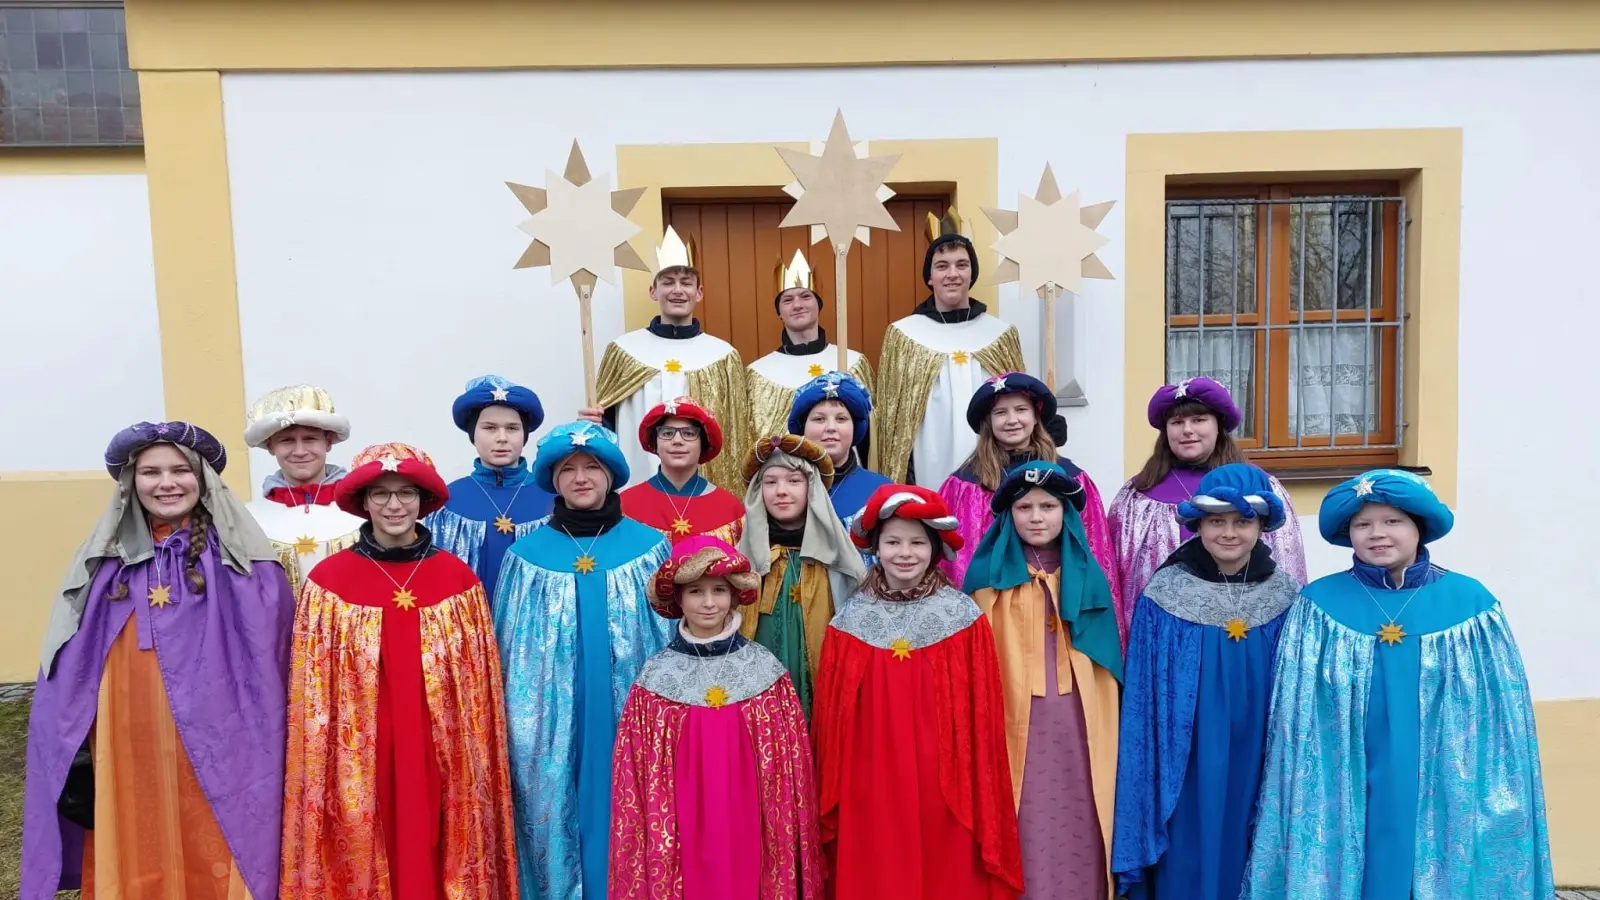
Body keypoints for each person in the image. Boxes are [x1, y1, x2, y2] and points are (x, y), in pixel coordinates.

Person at [1241, 470, 1553, 899]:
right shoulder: (1319, 605)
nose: (1377, 534)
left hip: (1441, 766)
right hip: (1347, 766)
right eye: (1363, 524)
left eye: (1392, 521)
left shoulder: (1470, 603)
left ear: (1418, 527)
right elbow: (1298, 714)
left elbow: (1500, 716)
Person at [22, 421, 293, 900]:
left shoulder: (242, 562)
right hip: (128, 728)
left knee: (215, 820)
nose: (166, 483)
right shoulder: (104, 564)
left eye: (179, 470)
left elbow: (270, 656)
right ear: (132, 482)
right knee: (138, 816)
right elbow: (69, 656)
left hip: (222, 732)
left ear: (202, 478)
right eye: (151, 472)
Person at [280, 442, 518, 898]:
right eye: (382, 494)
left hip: (439, 748)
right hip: (360, 754)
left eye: (406, 493)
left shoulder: (458, 580)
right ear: (364, 502)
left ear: (422, 501)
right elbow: (312, 697)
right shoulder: (328, 583)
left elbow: (478, 696)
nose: (394, 505)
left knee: (434, 838)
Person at [813, 484, 1023, 900]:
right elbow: (832, 720)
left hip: (944, 773)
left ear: (935, 548)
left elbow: (981, 714)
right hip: (869, 773)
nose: (904, 553)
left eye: (917, 542)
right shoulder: (849, 621)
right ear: (876, 547)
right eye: (893, 542)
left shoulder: (961, 618)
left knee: (944, 861)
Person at [494, 421, 673, 900]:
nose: (580, 478)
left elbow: (671, 640)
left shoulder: (650, 548)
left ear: (610, 475)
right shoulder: (525, 557)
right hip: (553, 720)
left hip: (630, 711)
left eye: (592, 466)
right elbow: (509, 655)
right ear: (553, 480)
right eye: (568, 469)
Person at [1110, 463, 1299, 900]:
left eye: (1242, 522)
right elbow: (1144, 694)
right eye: (1216, 522)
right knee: (1190, 838)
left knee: (1250, 833)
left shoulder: (1285, 594)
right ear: (1198, 525)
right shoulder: (1165, 592)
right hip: (1187, 750)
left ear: (1262, 526)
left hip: (1258, 746)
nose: (1228, 533)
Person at [609, 536, 825, 900]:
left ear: (735, 595)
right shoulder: (654, 679)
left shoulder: (766, 672)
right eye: (696, 591)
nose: (709, 603)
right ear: (678, 599)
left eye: (719, 590)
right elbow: (635, 775)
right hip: (681, 825)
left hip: (750, 820)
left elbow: (791, 776)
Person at [964, 461, 1123, 900]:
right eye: (1025, 507)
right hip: (1011, 721)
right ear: (1009, 515)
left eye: (1048, 506)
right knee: (1021, 812)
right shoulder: (985, 584)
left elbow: (1107, 665)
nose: (1037, 517)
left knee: (1085, 806)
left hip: (1079, 721)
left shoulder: (1089, 580)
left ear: (1065, 513)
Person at [1107, 377, 1306, 645]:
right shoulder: (1136, 496)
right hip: (1164, 634)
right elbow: (1117, 579)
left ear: (1219, 425)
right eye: (1177, 422)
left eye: (1199, 420)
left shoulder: (1260, 489)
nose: (1187, 430)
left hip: (1249, 636)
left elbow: (1287, 565)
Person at [581, 228, 751, 495]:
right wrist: (595, 423)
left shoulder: (722, 356)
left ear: (699, 292)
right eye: (668, 282)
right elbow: (607, 422)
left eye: (686, 282)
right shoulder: (624, 351)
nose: (678, 290)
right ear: (653, 291)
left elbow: (736, 431)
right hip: (635, 485)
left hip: (703, 490)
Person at [872, 213, 1026, 488]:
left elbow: (1020, 402)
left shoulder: (1000, 335)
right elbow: (892, 422)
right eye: (942, 266)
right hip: (928, 471)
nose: (952, 274)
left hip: (995, 469)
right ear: (929, 277)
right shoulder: (904, 336)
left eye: (961, 265)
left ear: (972, 274)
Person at [938, 372, 1118, 598]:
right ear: (988, 422)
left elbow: (1094, 547)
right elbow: (953, 561)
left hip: (1055, 599)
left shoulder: (1071, 480)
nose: (1012, 420)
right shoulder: (963, 486)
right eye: (1000, 412)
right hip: (988, 599)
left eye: (1021, 409)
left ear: (1035, 416)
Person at [735, 434, 866, 716]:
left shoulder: (837, 557)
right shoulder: (744, 559)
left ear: (812, 488)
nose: (781, 491)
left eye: (794, 481)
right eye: (770, 482)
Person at [426, 374, 555, 594]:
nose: (502, 438)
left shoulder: (553, 498)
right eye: (490, 428)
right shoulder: (448, 503)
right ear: (473, 435)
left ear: (525, 435)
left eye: (512, 428)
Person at [243, 383, 363, 591]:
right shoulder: (248, 519)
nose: (300, 451)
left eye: (310, 439)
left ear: (328, 442)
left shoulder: (364, 511)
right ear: (271, 446)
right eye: (287, 440)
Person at [746, 251, 875, 438]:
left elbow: (872, 431)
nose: (797, 305)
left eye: (805, 296)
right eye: (788, 300)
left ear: (818, 304)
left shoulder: (853, 363)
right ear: (779, 312)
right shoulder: (759, 373)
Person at [618, 395, 745, 545]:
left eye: (689, 433)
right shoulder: (624, 506)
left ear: (703, 444)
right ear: (655, 443)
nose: (677, 441)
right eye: (667, 433)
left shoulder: (730, 509)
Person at [788, 371, 891, 530]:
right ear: (803, 429)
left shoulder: (882, 491)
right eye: (819, 419)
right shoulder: (781, 489)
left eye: (841, 419)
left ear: (855, 428)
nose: (831, 427)